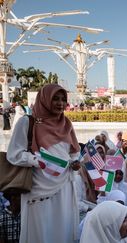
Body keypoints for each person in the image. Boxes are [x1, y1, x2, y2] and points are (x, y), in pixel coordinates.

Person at [7, 84, 82, 243]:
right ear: (44, 99)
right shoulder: (27, 122)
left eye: (63, 99)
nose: (60, 103)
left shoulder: (66, 123)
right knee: (41, 231)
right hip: (38, 188)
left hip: (64, 188)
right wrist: (37, 161)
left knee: (62, 229)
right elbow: (14, 155)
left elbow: (74, 153)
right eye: (55, 98)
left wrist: (75, 163)